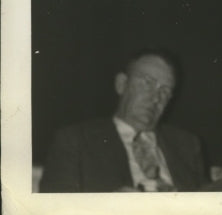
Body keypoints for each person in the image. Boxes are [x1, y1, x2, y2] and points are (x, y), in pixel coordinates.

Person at [39, 49, 205, 192]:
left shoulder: (188, 145)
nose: (155, 98)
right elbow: (54, 208)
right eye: (147, 83)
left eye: (165, 91)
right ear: (121, 84)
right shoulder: (76, 140)